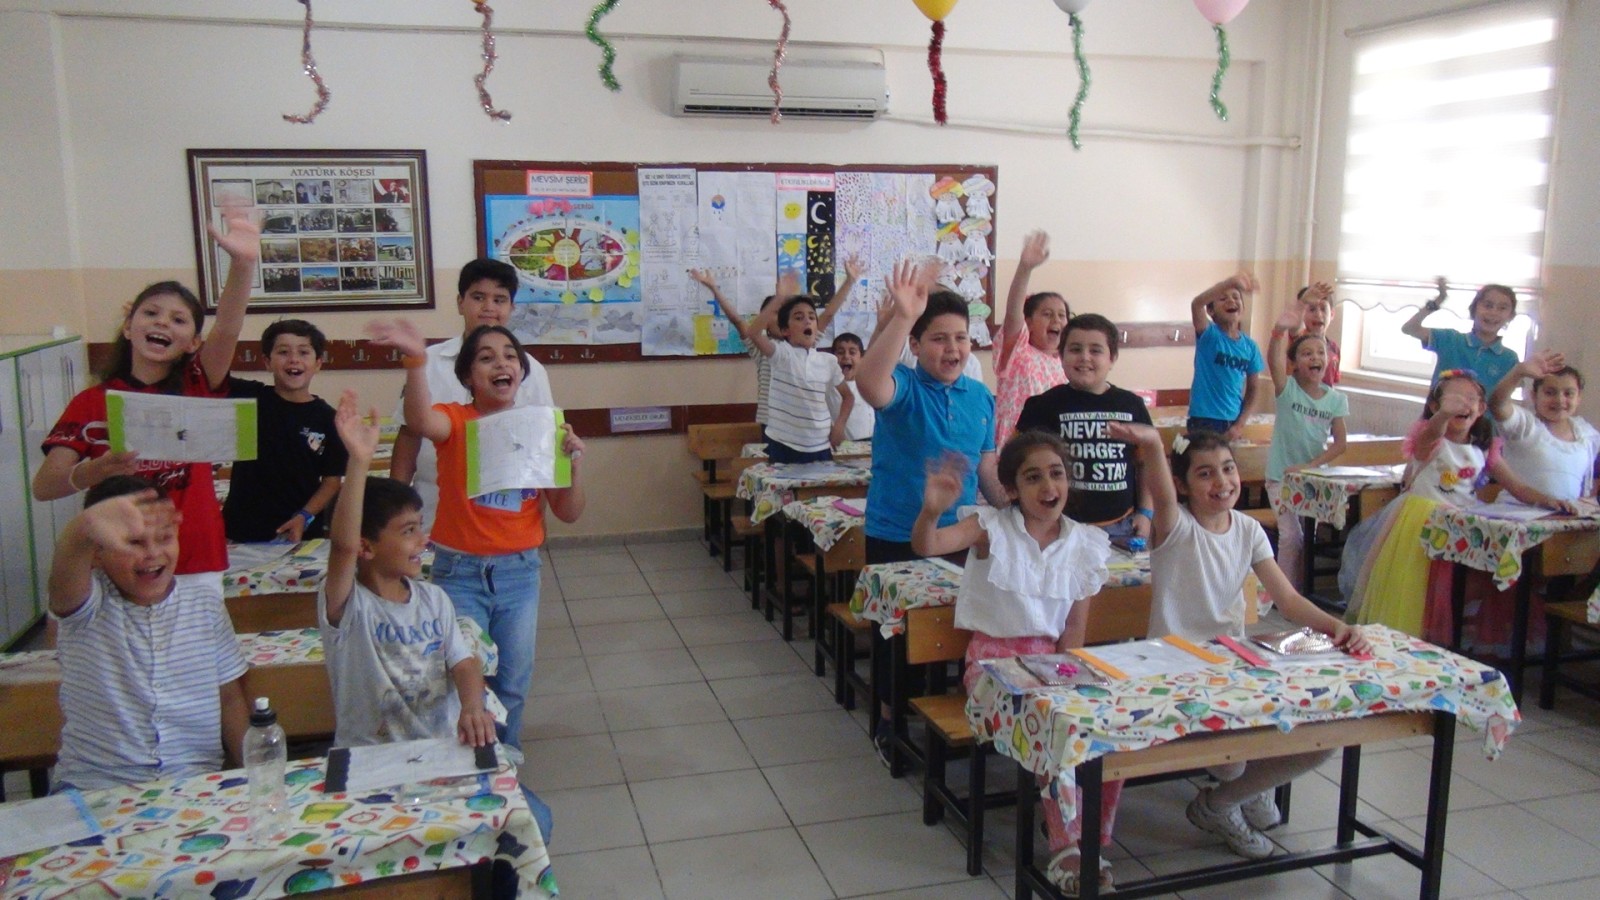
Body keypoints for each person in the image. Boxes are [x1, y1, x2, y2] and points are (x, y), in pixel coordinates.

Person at [1119, 425, 1371, 860]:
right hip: (1176, 669)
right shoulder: (1175, 527)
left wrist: (1338, 627)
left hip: (1233, 663)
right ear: (1182, 484)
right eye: (1205, 474)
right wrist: (1154, 445)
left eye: (1228, 469)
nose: (1222, 482)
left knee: (1324, 736)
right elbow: (1160, 492)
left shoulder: (1249, 529)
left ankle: (1229, 797)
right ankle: (1230, 797)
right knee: (1233, 758)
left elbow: (1288, 600)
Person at [316, 390, 554, 838]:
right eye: (408, 532)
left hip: (442, 750)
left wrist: (473, 706)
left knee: (536, 821)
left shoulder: (434, 599)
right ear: (366, 547)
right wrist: (360, 462)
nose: (422, 540)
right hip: (374, 760)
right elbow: (342, 546)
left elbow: (463, 661)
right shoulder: (349, 607)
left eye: (419, 527)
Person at [912, 434, 1118, 895]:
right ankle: (1068, 847)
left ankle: (1087, 834)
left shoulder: (1084, 543)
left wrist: (1069, 683)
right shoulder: (991, 527)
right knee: (1053, 726)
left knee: (1104, 723)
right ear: (1011, 489)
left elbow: (1074, 632)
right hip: (992, 665)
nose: (1048, 486)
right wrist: (931, 510)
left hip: (1052, 665)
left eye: (1056, 474)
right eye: (1033, 477)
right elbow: (928, 544)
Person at [367, 319, 586, 750]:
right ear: (468, 377)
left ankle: (507, 758)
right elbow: (419, 419)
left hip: (519, 574)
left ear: (521, 372)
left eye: (510, 357)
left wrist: (575, 466)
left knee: (513, 680)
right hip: (460, 572)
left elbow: (569, 512)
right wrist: (416, 360)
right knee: (464, 678)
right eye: (486, 358)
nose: (501, 364)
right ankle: (473, 762)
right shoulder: (457, 420)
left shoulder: (543, 429)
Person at [35, 206, 259, 574]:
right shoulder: (92, 402)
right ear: (128, 327)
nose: (162, 323)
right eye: (151, 313)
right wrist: (96, 470)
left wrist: (244, 264)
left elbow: (228, 328)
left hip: (196, 558)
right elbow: (44, 487)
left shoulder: (198, 384)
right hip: (122, 562)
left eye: (178, 319)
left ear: (192, 342)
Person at [48, 476, 248, 791]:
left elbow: (230, 700)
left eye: (165, 538)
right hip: (97, 785)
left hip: (193, 784)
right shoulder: (86, 605)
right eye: (134, 542)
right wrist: (87, 525)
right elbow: (67, 562)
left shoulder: (205, 605)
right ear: (97, 553)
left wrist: (253, 772)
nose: (153, 553)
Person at [1345, 371, 1571, 641]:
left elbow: (1517, 486)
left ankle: (1454, 641)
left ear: (1482, 408)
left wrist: (1547, 500)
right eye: (1454, 399)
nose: (1462, 404)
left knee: (1458, 588)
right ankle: (1407, 641)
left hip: (1462, 522)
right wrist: (1443, 415)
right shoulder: (1430, 439)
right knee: (1416, 588)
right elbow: (1432, 432)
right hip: (1424, 523)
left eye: (1470, 399)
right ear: (1434, 406)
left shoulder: (1483, 447)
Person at [390, 259, 553, 532]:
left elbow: (542, 450)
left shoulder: (530, 370)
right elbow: (409, 436)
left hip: (503, 515)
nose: (489, 307)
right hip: (433, 509)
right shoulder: (428, 362)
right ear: (460, 303)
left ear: (511, 308)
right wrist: (395, 507)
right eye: (478, 297)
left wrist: (539, 518)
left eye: (499, 300)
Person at [1016, 313, 1154, 544]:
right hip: (1057, 526)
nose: (1084, 357)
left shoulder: (1132, 405)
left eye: (1095, 350)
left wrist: (1146, 512)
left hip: (1121, 525)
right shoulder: (1041, 406)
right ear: (1061, 356)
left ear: (1112, 358)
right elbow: (1017, 465)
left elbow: (1146, 464)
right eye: (1075, 349)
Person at [691, 259, 861, 437]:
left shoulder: (805, 344)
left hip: (802, 424)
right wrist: (714, 289)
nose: (781, 318)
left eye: (786, 314)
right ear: (764, 321)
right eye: (776, 312)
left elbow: (828, 314)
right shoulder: (761, 347)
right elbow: (737, 320)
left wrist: (849, 281)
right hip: (772, 423)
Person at [223, 319, 347, 543]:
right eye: (283, 352)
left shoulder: (329, 418)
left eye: (303, 352)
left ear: (318, 363)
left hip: (300, 532)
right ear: (267, 362)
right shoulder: (250, 398)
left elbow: (332, 481)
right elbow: (211, 374)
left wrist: (304, 516)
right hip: (241, 529)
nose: (294, 359)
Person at [1265, 299, 1349, 594]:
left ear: (1329, 360)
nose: (1315, 358)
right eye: (1306, 353)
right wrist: (1278, 332)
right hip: (1281, 477)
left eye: (1320, 353)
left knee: (1308, 538)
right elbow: (1273, 362)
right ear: (1295, 363)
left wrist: (1309, 467)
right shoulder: (1287, 390)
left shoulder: (1336, 399)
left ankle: (1301, 593)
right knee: (1292, 536)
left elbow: (1341, 444)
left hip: (1311, 479)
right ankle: (1283, 595)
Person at [745, 293, 852, 462]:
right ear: (785, 330)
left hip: (820, 446)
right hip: (783, 446)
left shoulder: (828, 361)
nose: (807, 321)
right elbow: (753, 333)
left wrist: (839, 425)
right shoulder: (781, 354)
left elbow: (848, 396)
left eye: (812, 317)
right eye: (799, 318)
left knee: (820, 480)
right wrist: (778, 299)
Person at [1488, 349, 1600, 505]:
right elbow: (1497, 404)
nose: (1560, 400)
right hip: (1516, 514)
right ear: (1534, 396)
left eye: (1568, 393)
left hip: (1563, 516)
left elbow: (1590, 484)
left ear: (1578, 397)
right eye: (1550, 393)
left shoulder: (1587, 434)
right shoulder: (1524, 426)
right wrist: (1519, 372)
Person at [993, 230, 1068, 447]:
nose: (1056, 320)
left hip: (1052, 447)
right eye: (1047, 314)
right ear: (1029, 322)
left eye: (1062, 315)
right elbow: (1013, 314)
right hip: (1016, 446)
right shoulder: (1019, 353)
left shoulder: (1067, 364)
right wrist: (1024, 268)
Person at [1187, 273, 1265, 439]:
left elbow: (1253, 389)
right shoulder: (1209, 335)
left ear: (1243, 308)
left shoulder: (1250, 347)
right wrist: (1229, 283)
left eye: (1236, 297)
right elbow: (1196, 304)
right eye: (1223, 298)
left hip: (1233, 420)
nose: (1231, 301)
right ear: (1211, 311)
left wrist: (1240, 424)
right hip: (1204, 419)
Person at [1401, 283, 1521, 388]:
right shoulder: (1450, 339)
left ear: (1510, 316)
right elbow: (1409, 328)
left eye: (1502, 308)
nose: (1493, 312)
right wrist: (1439, 300)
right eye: (1488, 305)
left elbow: (1503, 398)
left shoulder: (1509, 358)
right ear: (1474, 309)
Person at [827, 332, 875, 441]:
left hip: (872, 442)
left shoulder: (868, 383)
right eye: (840, 352)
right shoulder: (829, 385)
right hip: (845, 444)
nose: (846, 356)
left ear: (862, 358)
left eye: (852, 352)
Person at [1294, 282, 1341, 385]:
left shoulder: (1334, 349)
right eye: (1312, 309)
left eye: (1323, 309)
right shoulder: (1296, 342)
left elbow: (1332, 383)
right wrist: (1303, 301)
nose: (1318, 314)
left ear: (1332, 314)